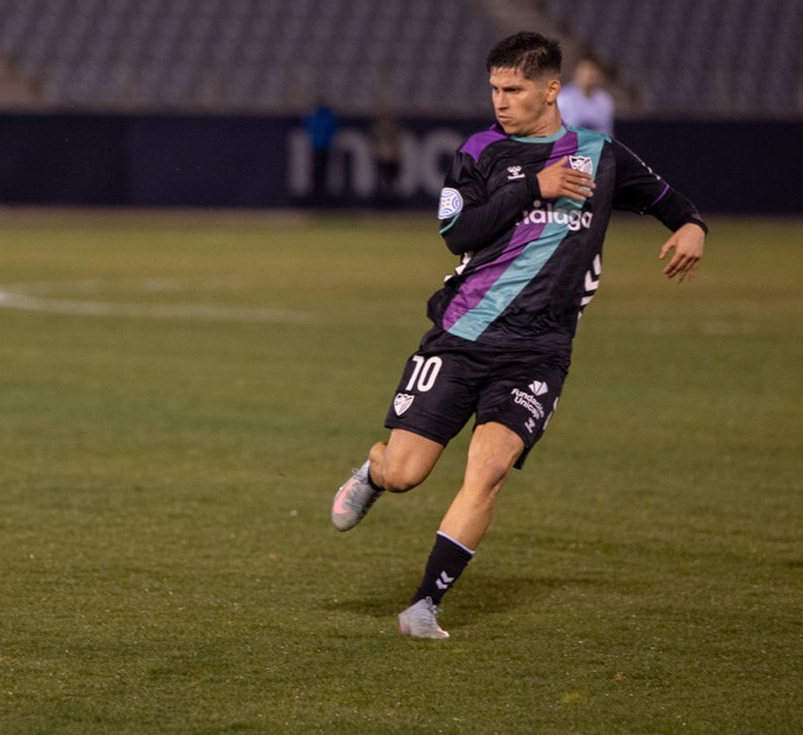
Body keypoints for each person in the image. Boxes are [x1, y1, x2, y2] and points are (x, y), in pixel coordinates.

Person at [328, 31, 706, 639]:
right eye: (495, 89)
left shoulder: (601, 155)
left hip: (540, 349)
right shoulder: (480, 151)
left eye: (514, 89)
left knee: (490, 466)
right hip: (463, 334)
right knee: (406, 472)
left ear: (550, 90)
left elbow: (670, 202)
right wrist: (535, 187)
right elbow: (458, 233)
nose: (501, 102)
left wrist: (692, 226)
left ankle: (424, 605)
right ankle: (373, 473)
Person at [556, 56, 615, 137]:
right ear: (576, 72)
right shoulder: (562, 99)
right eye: (585, 70)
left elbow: (607, 134)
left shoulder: (604, 100)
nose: (589, 74)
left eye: (593, 70)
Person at [302, 100, 339, 206]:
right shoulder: (329, 117)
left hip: (316, 148)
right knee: (323, 174)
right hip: (325, 148)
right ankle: (321, 198)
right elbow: (335, 125)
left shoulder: (314, 117)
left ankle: (315, 197)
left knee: (316, 175)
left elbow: (306, 123)